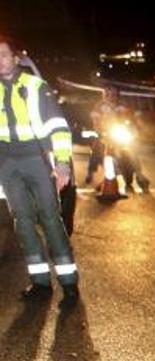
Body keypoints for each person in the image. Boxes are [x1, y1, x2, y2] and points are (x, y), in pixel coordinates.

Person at [0, 34, 78, 303]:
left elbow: (57, 126)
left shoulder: (35, 86)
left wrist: (63, 163)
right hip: (6, 162)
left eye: (4, 55)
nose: (0, 61)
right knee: (22, 222)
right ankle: (40, 283)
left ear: (15, 58)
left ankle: (69, 283)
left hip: (36, 158)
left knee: (50, 219)